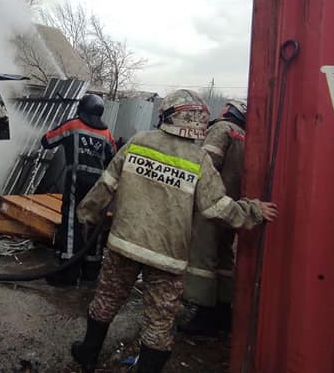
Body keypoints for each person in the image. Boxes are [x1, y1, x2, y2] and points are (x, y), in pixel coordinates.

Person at [70, 90, 277, 372]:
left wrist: (87, 215)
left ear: (168, 115)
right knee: (159, 321)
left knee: (106, 300)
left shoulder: (138, 142)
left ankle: (88, 355)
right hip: (167, 256)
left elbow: (106, 184)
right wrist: (253, 210)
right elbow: (216, 207)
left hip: (124, 244)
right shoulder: (198, 159)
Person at [181, 99, 248, 335]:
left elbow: (204, 164)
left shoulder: (222, 128)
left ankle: (203, 315)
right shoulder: (245, 136)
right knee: (224, 258)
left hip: (211, 205)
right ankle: (223, 312)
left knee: (203, 260)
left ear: (230, 110)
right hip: (232, 207)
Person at [41, 93, 116, 285]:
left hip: (76, 181)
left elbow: (47, 141)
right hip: (98, 186)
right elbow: (113, 158)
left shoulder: (72, 125)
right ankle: (91, 270)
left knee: (71, 222)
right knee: (93, 223)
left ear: (81, 109)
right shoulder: (107, 134)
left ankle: (68, 271)